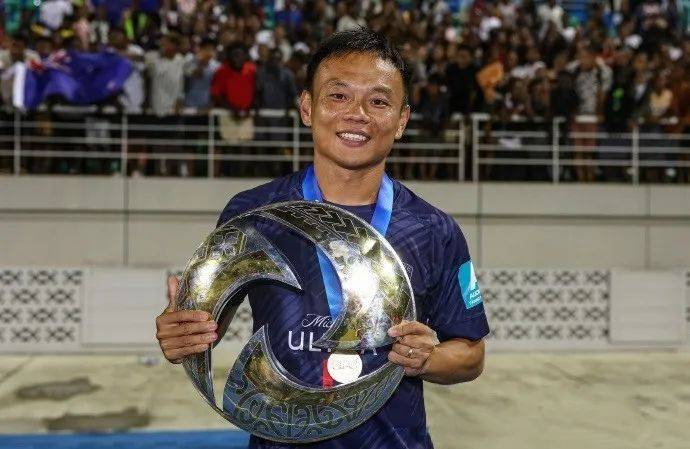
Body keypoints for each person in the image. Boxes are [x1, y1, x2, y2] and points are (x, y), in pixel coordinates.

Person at [155, 28, 488, 449]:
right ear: (307, 108)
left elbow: (471, 354)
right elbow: (205, 329)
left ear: (401, 120)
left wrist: (430, 358)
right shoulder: (255, 213)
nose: (358, 114)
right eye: (338, 96)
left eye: (379, 101)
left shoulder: (433, 230)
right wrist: (184, 334)